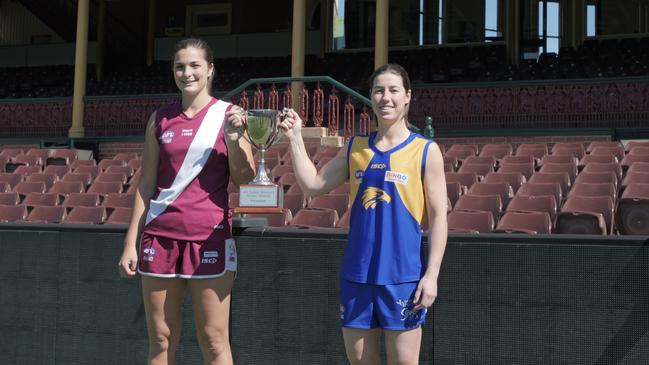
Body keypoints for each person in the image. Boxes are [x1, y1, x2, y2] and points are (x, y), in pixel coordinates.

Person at [280, 63, 448, 365]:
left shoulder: (425, 150)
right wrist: (294, 137)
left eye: (394, 90)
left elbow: (438, 218)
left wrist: (432, 275)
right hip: (357, 277)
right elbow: (313, 185)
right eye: (379, 90)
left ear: (407, 97)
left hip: (403, 279)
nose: (386, 97)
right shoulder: (355, 148)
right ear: (370, 96)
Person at [118, 38, 255, 365]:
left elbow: (245, 176)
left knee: (213, 339)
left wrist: (235, 141)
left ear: (210, 69)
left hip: (209, 238)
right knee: (162, 341)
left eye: (195, 65)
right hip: (159, 239)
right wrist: (130, 242)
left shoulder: (230, 115)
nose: (187, 72)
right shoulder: (159, 119)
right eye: (180, 66)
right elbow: (146, 184)